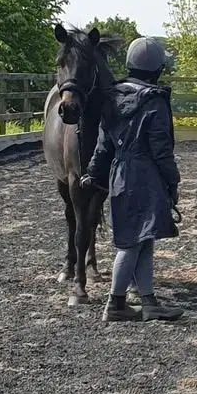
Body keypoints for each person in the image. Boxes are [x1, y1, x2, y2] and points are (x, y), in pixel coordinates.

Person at [80, 37, 185, 321]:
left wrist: (92, 173)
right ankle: (115, 303)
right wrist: (172, 181)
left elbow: (103, 146)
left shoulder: (113, 98)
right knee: (132, 243)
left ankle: (148, 301)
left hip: (120, 173)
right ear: (157, 68)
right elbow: (161, 149)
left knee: (144, 238)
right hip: (146, 174)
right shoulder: (155, 102)